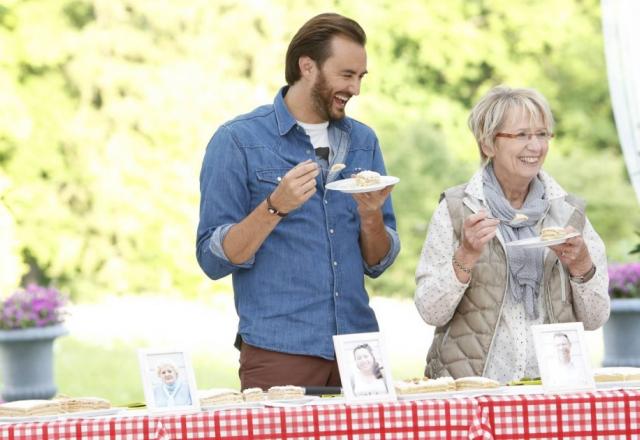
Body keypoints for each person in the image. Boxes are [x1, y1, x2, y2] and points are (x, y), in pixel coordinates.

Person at [196, 13, 400, 390]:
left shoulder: (364, 142)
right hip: (279, 352)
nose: (355, 88)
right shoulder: (237, 141)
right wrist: (275, 205)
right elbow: (212, 259)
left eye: (361, 77)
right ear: (308, 66)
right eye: (346, 75)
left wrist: (371, 217)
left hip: (360, 351)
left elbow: (377, 262)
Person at [414, 85, 610, 384]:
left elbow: (596, 319)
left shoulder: (567, 214)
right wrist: (466, 255)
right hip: (474, 388)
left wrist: (582, 266)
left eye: (542, 134)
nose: (536, 146)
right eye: (522, 135)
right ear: (488, 144)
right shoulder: (457, 209)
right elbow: (430, 310)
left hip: (553, 386)